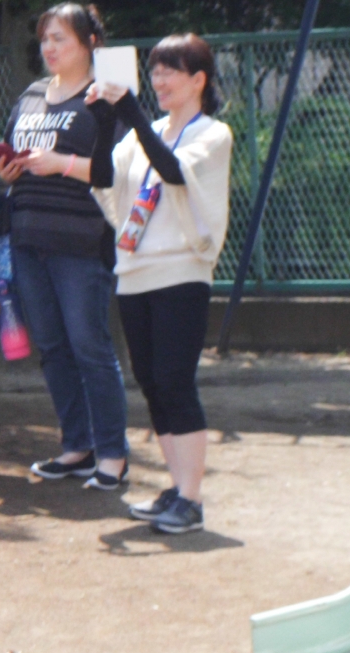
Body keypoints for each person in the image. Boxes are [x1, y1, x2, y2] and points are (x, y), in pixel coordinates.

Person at [87, 34, 232, 534]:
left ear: (199, 80)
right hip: (134, 272)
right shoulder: (141, 134)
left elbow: (172, 171)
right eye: (155, 70)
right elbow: (103, 177)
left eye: (172, 70)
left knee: (175, 379)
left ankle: (191, 499)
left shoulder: (212, 133)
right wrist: (105, 122)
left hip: (181, 272)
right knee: (151, 381)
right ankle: (176, 488)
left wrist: (129, 112)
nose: (160, 80)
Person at [0, 3, 130, 491]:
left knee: (90, 346)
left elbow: (120, 171)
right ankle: (77, 447)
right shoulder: (30, 96)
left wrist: (60, 163)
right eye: (45, 38)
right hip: (27, 238)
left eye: (60, 38)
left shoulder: (106, 97)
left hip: (82, 241)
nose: (48, 47)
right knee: (50, 346)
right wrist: (6, 172)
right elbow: (13, 162)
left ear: (90, 43)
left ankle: (113, 455)